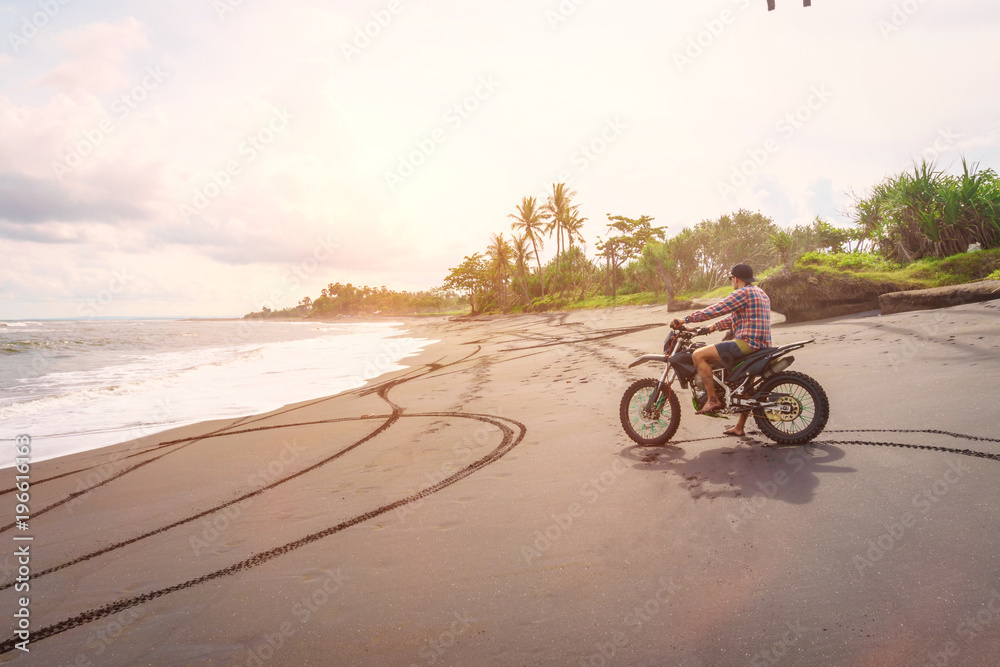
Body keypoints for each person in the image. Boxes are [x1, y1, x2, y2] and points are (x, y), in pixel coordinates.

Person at [670, 263, 772, 436]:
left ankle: (712, 399)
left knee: (698, 355)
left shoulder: (742, 292)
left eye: (731, 278)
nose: (732, 281)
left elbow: (716, 309)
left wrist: (686, 319)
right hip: (762, 345)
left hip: (747, 343)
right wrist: (709, 328)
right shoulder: (760, 293)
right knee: (743, 387)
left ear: (736, 278)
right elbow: (733, 319)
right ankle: (739, 427)